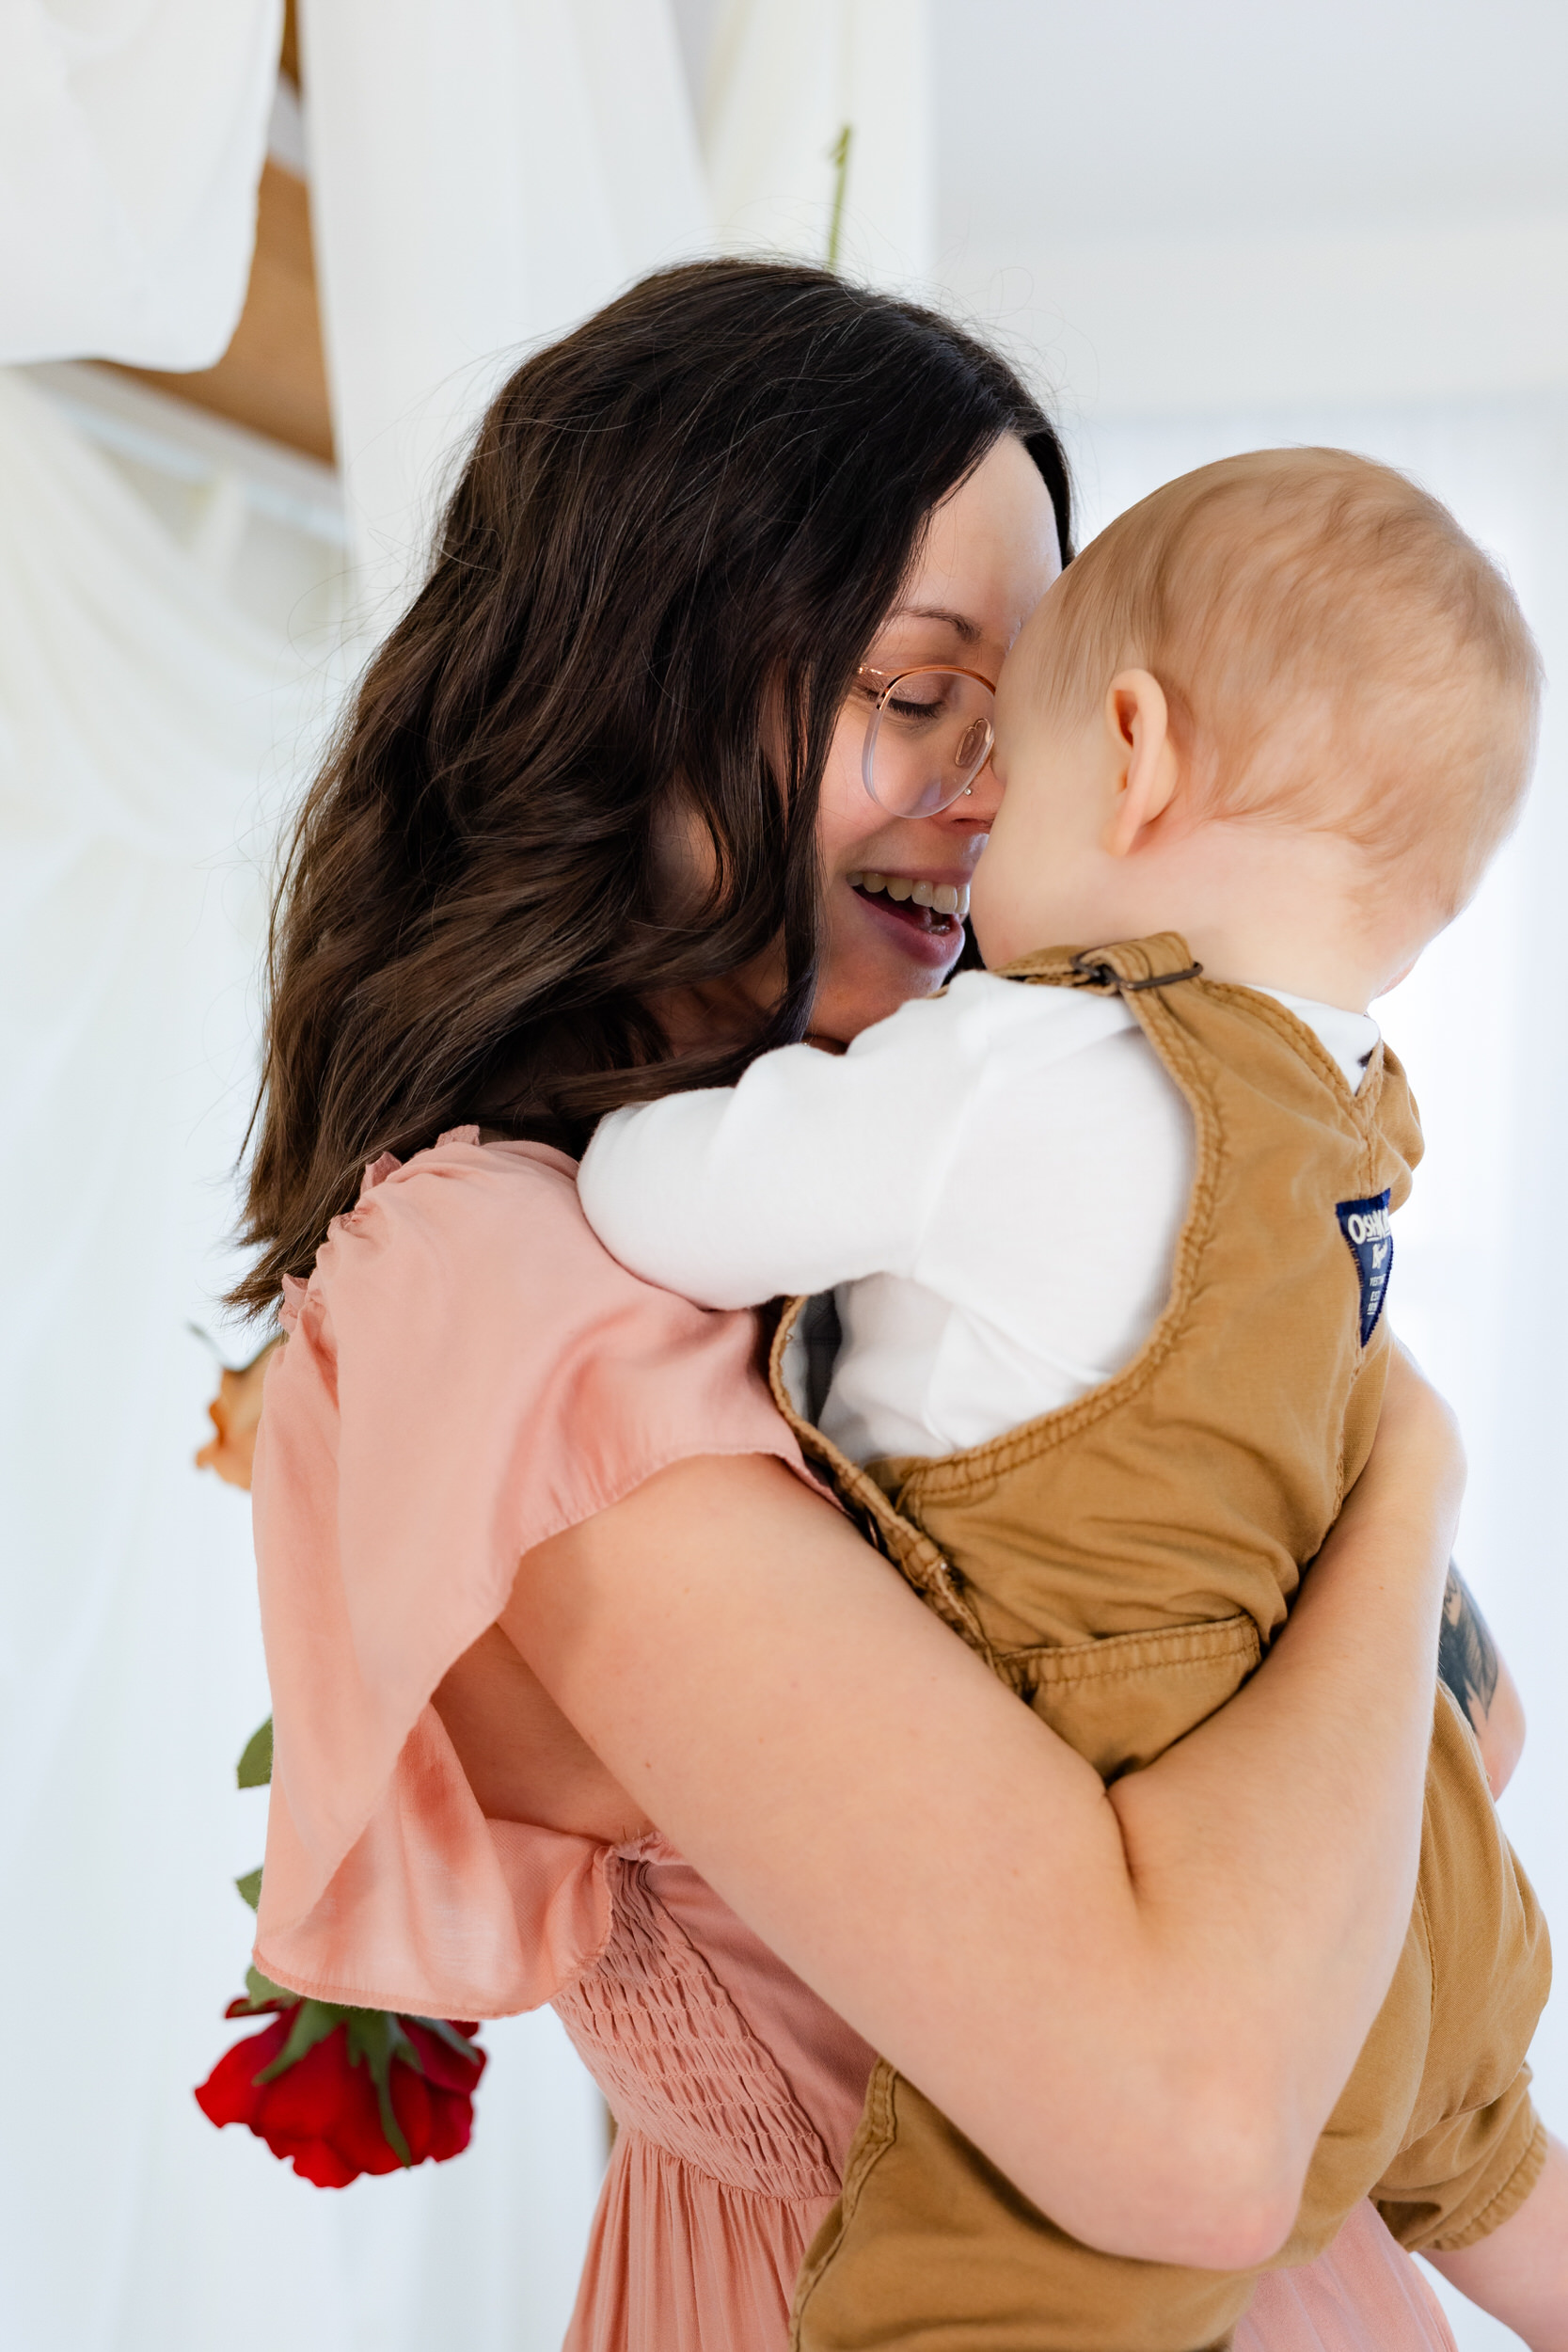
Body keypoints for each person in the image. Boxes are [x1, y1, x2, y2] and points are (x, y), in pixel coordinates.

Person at [231, 261, 1489, 2352]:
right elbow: (1190, 2118)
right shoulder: (511, 1273)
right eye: (917, 698)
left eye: (1049, 704)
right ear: (628, 687)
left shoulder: (961, 1166)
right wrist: (1409, 1463)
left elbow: (1466, 1746)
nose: (999, 791)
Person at [576, 449, 1565, 2347]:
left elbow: (672, 1203)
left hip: (1140, 1772)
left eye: (992, 731)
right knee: (1499, 2166)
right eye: (906, 700)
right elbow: (1474, 1696)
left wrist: (606, 1140)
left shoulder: (1027, 1068)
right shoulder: (1351, 1114)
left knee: (971, 2295)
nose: (966, 806)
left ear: (1130, 746)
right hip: (1398, 1854)